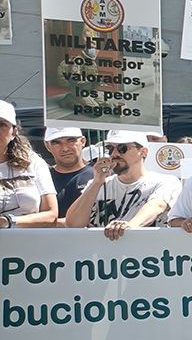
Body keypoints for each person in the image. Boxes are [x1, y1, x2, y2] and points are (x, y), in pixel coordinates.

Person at [65, 130, 181, 239]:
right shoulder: (98, 184)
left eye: (122, 148)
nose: (114, 154)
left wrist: (128, 227)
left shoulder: (166, 181)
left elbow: (157, 206)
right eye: (110, 148)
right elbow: (73, 223)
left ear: (143, 152)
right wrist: (96, 182)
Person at [0, 101, 57, 229]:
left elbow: (51, 215)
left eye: (1, 124)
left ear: (14, 132)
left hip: (29, 244)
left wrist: (7, 221)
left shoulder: (33, 162)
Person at [43, 126, 94, 219]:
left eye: (71, 141)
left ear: (83, 141)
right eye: (56, 143)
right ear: (47, 146)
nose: (65, 148)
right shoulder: (41, 178)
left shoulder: (99, 176)